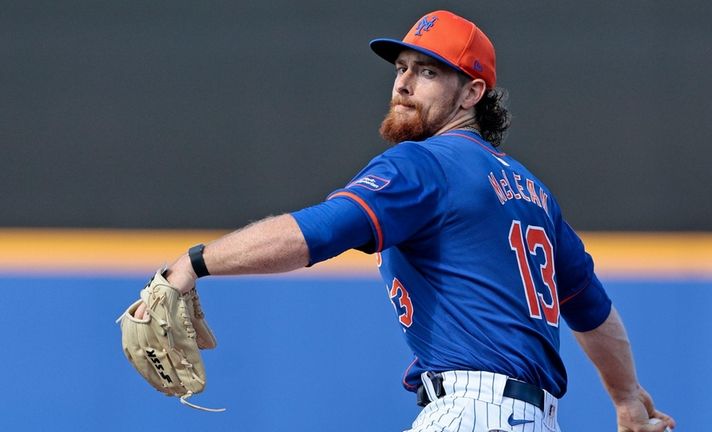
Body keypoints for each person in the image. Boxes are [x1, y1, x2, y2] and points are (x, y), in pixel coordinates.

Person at [134, 10, 675, 432]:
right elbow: (593, 312)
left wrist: (193, 263)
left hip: (471, 412)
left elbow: (319, 232)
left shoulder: (425, 164)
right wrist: (626, 398)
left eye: (429, 71)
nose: (404, 83)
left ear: (472, 92)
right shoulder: (533, 191)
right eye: (402, 68)